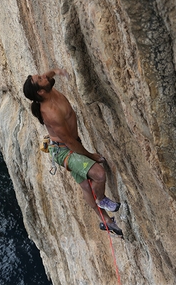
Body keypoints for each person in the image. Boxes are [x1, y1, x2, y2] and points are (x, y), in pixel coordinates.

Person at [23, 68, 123, 236]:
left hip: (70, 145)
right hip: (64, 151)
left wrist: (56, 71)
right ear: (40, 91)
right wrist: (91, 155)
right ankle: (101, 199)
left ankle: (105, 221)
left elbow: (48, 75)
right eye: (40, 78)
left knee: (85, 185)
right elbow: (69, 141)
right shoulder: (50, 113)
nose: (44, 76)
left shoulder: (47, 89)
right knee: (98, 174)